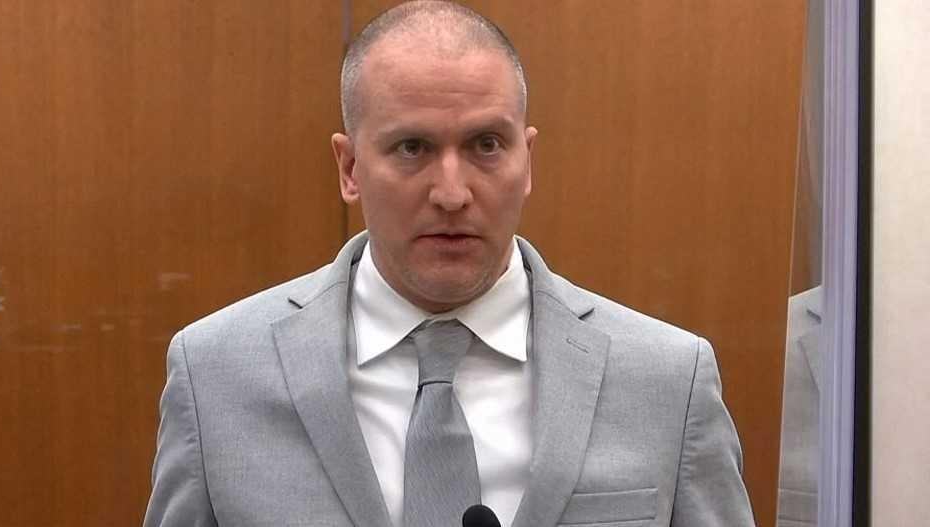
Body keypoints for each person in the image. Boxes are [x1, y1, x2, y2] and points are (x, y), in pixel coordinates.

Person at [143, 1, 755, 526]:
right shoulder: (215, 375)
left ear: (528, 158)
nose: (453, 193)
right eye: (412, 148)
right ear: (349, 169)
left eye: (487, 145)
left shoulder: (668, 379)